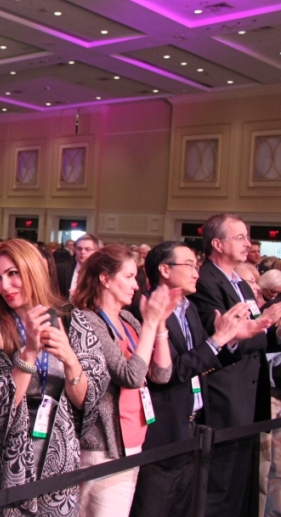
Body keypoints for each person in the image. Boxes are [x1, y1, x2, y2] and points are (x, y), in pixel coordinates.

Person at [0, 239, 108, 517]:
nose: (5, 287)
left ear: (33, 270)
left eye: (13, 274)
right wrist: (30, 352)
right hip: (10, 465)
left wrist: (71, 360)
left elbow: (86, 402)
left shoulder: (72, 320)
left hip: (60, 461)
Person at [130, 242, 263, 517]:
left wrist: (233, 341)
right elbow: (168, 372)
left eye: (196, 265)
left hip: (192, 426)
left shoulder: (187, 307)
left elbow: (204, 359)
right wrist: (218, 340)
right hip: (163, 430)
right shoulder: (146, 307)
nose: (196, 272)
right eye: (189, 265)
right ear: (164, 270)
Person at [187, 214, 281, 517]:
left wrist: (274, 331)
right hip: (224, 391)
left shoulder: (239, 281)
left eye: (246, 237)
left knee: (243, 478)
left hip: (250, 390)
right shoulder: (206, 281)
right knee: (221, 481)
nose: (247, 243)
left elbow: (255, 331)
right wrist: (264, 326)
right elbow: (223, 338)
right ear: (217, 243)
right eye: (238, 237)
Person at [73, 244, 177, 517]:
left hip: (133, 440)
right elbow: (129, 376)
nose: (136, 285)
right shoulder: (88, 320)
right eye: (129, 277)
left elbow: (161, 373)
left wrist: (161, 324)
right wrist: (151, 325)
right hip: (103, 445)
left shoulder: (128, 319)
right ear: (105, 279)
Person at [57, 233, 99, 299]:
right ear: (75, 250)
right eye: (79, 249)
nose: (82, 252)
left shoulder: (101, 272)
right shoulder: (61, 269)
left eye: (87, 249)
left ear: (96, 251)